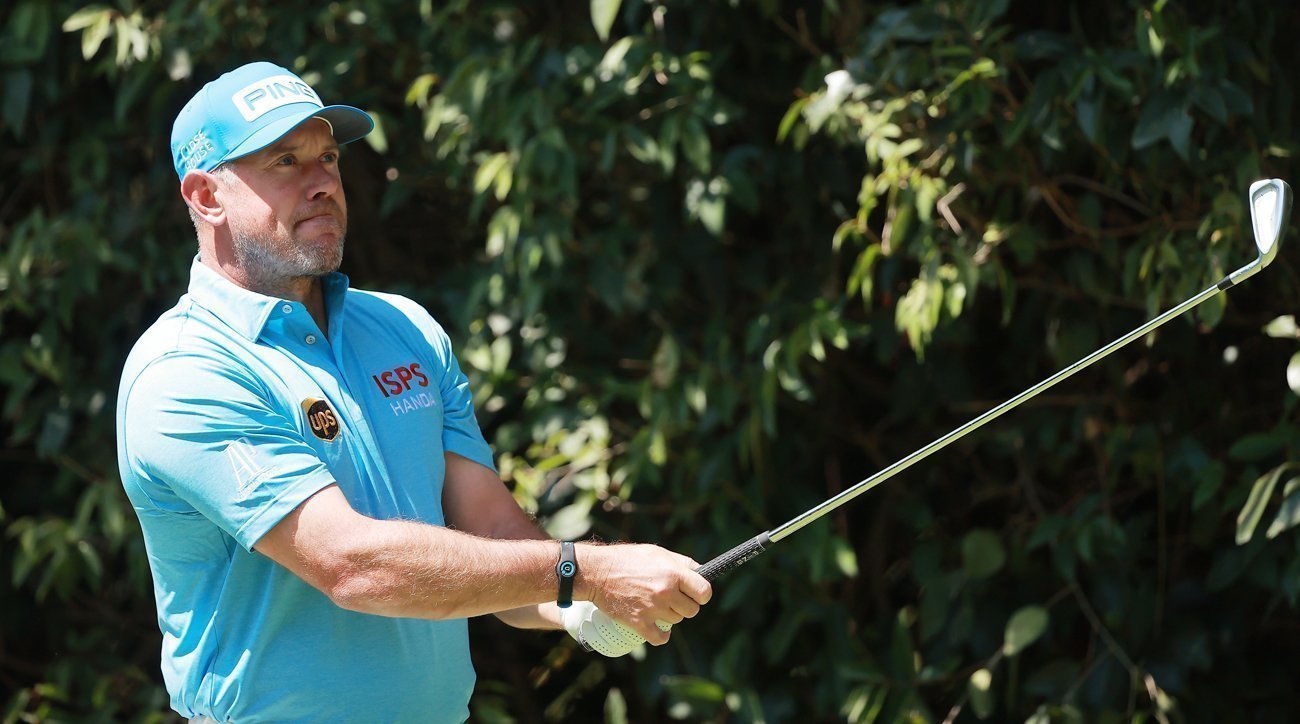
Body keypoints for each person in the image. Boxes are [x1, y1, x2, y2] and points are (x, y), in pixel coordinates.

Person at [115, 61, 712, 722]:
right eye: (285, 161)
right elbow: (353, 567)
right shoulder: (185, 373)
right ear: (205, 196)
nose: (322, 184)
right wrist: (585, 573)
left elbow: (494, 534)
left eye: (329, 157)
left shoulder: (403, 329)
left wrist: (584, 609)